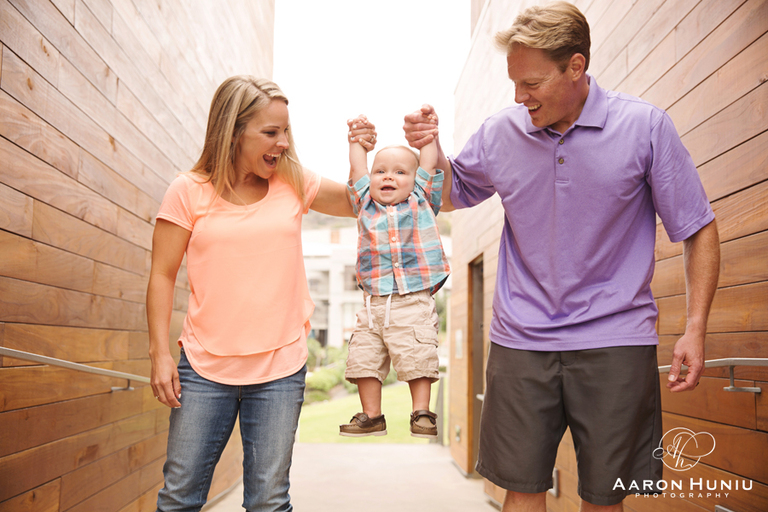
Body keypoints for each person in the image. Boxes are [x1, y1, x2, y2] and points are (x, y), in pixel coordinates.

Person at [403, 2, 720, 511]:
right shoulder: (501, 132)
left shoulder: (644, 127)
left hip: (616, 338)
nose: (518, 96)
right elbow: (451, 192)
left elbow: (697, 228)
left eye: (531, 83)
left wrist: (696, 327)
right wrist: (431, 150)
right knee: (520, 490)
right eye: (514, 83)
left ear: (576, 67)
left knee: (605, 497)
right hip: (521, 340)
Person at [147, 76, 376, 512]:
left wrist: (358, 154)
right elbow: (161, 274)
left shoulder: (293, 181)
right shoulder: (188, 191)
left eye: (286, 131)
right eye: (271, 132)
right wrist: (159, 354)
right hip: (204, 368)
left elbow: (357, 203)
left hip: (280, 368)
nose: (283, 143)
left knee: (269, 502)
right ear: (233, 131)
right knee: (179, 498)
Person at [338, 115, 450, 439]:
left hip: (412, 299)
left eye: (400, 172)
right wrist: (356, 142)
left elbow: (428, 161)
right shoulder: (364, 202)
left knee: (418, 354)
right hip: (372, 303)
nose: (388, 176)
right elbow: (357, 168)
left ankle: (422, 412)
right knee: (363, 357)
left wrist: (427, 136)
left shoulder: (422, 198)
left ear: (415, 180)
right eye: (381, 171)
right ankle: (372, 416)